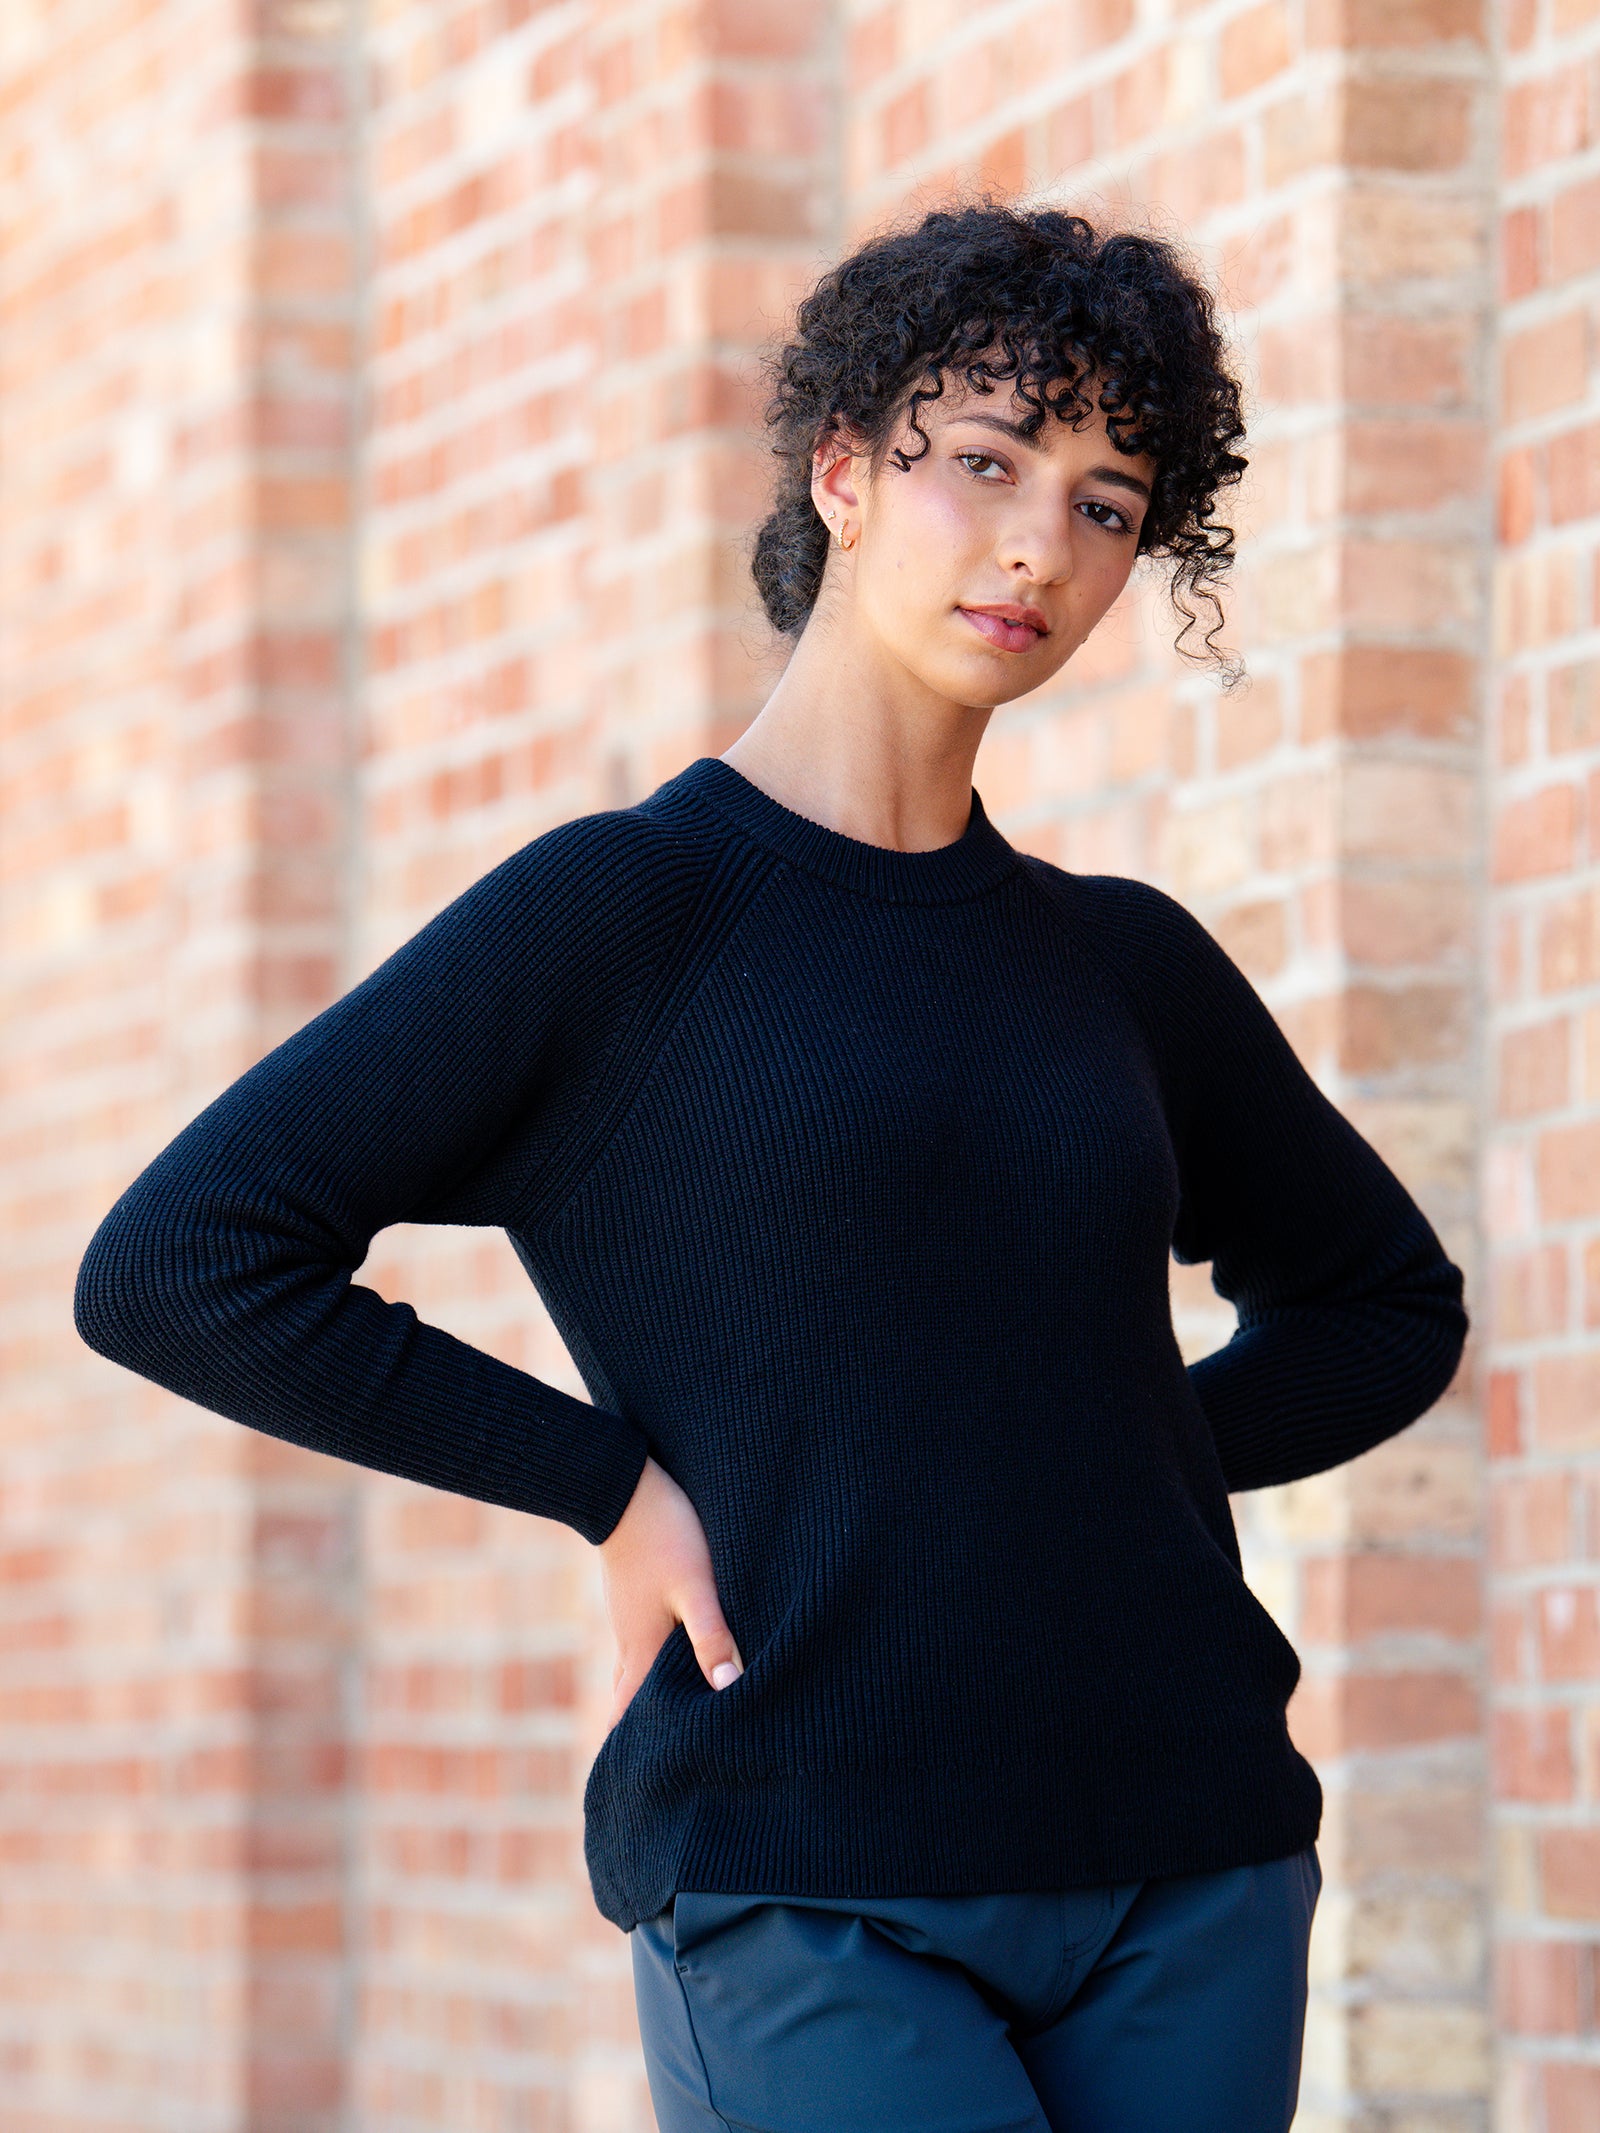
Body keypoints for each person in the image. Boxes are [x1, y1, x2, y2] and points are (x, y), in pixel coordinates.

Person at [75, 203, 1468, 2132]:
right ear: (842, 469)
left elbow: (1387, 1305)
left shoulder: (1123, 961)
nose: (1039, 548)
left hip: (1193, 1861)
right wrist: (607, 1488)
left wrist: (1089, 1463)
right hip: (806, 1873)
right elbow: (180, 1260)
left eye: (1106, 504)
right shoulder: (621, 915)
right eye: (987, 462)